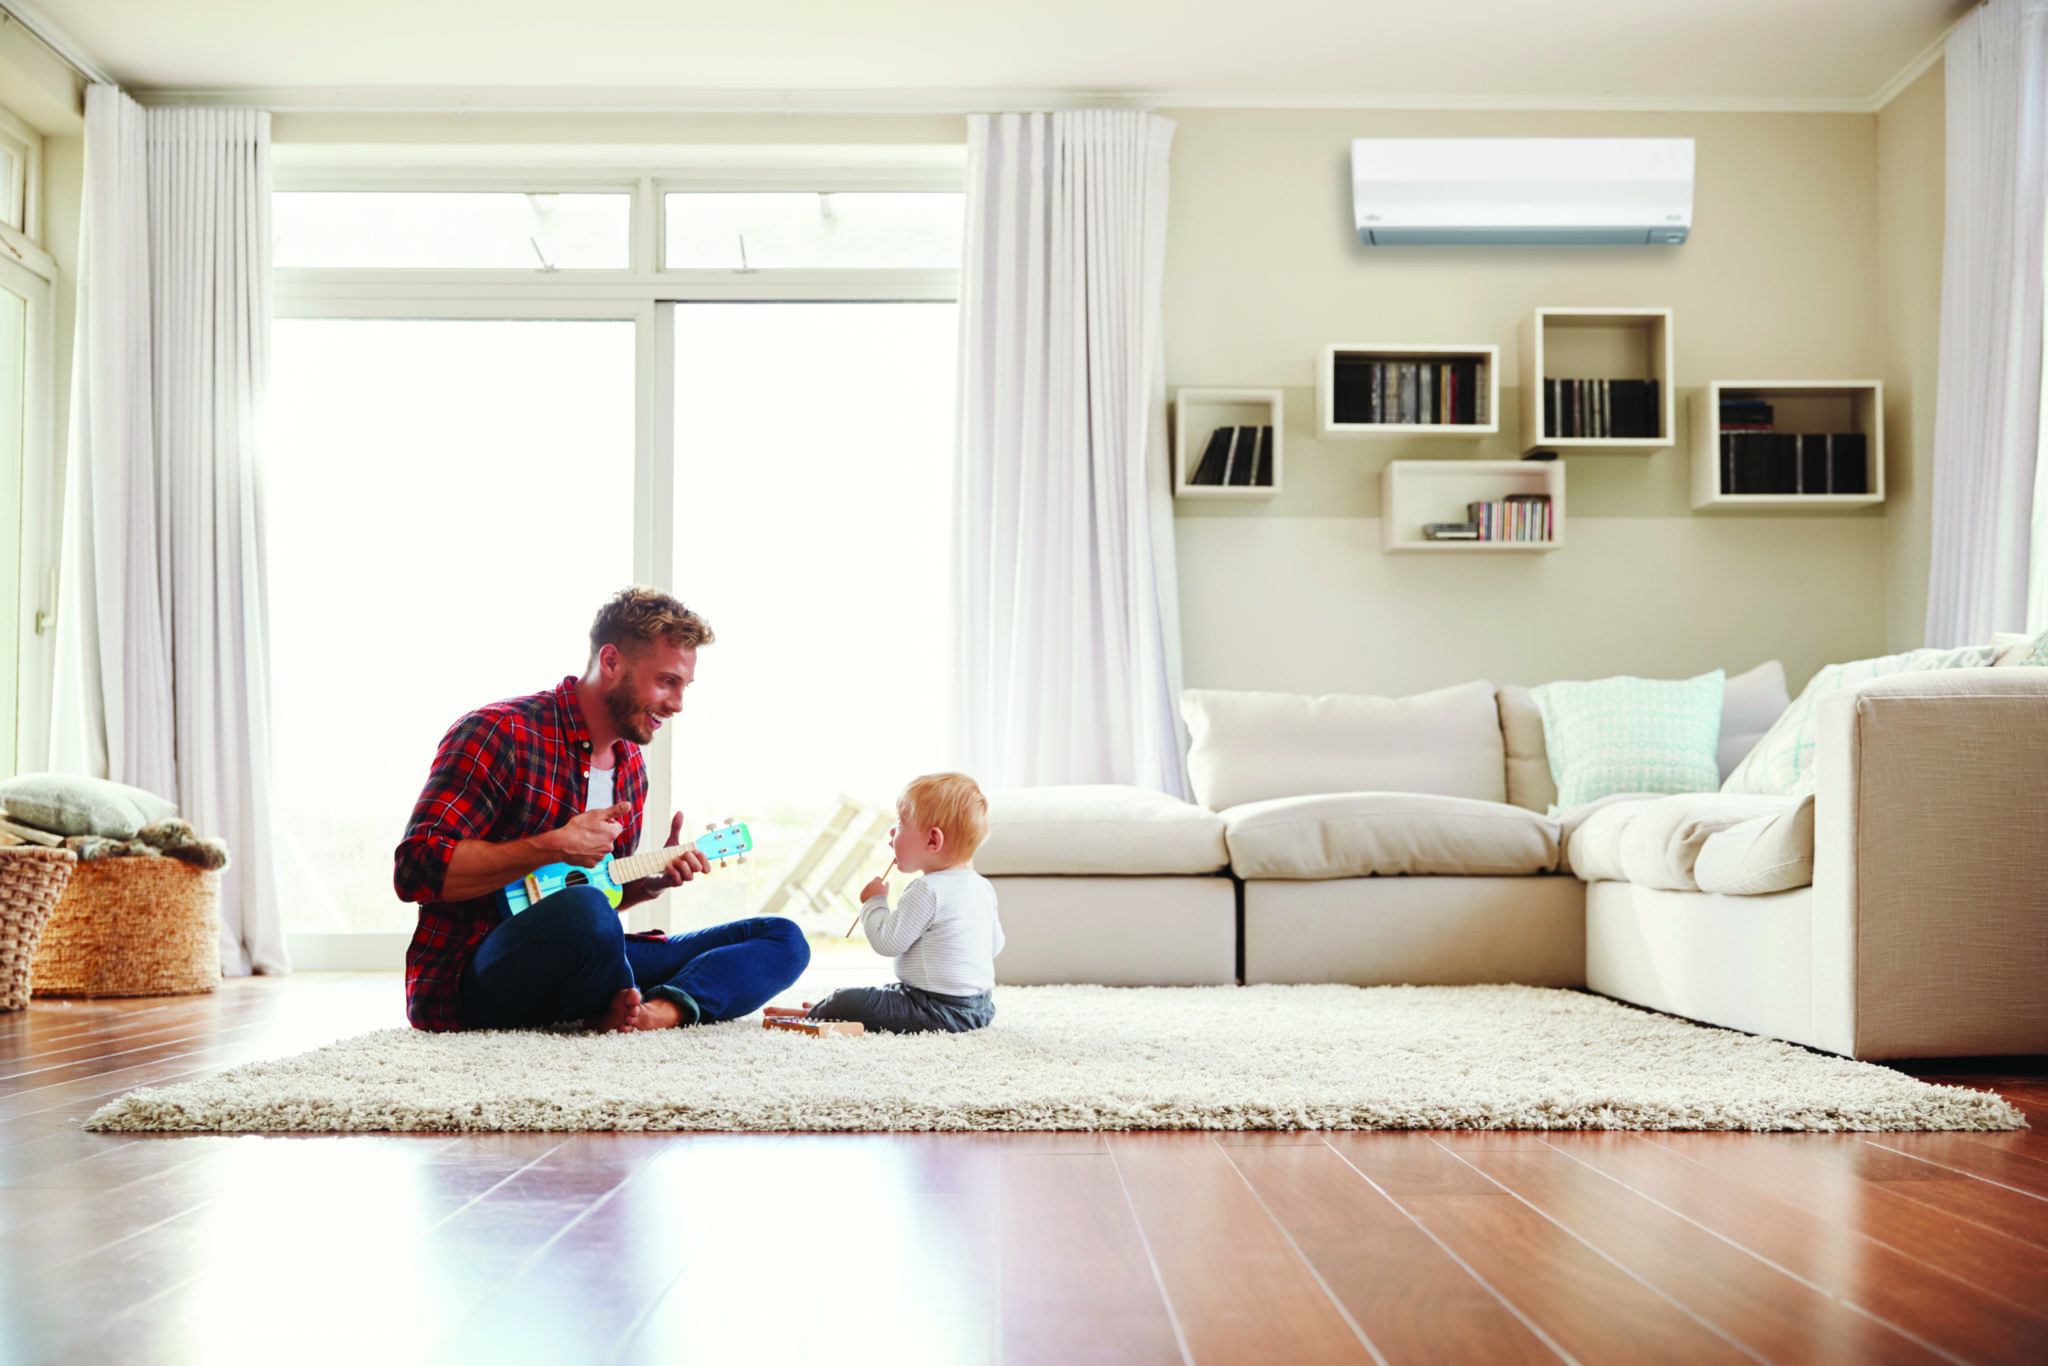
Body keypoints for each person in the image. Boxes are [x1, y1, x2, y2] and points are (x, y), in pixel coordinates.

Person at [393, 587, 810, 1032]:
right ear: (611, 662)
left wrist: (646, 885)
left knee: (783, 938)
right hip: (475, 973)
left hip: (582, 961)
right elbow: (414, 871)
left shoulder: (631, 768)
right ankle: (613, 1000)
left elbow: (597, 894)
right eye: (666, 681)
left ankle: (658, 1012)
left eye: (684, 687)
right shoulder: (498, 733)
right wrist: (552, 847)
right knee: (586, 910)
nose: (677, 704)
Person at [798, 773, 1003, 1035]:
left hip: (936, 1011)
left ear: (932, 840)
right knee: (886, 993)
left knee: (846, 998)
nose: (892, 832)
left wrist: (874, 902)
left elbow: (887, 943)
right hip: (980, 1008)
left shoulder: (927, 889)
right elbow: (995, 946)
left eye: (900, 824)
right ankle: (828, 1009)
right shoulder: (982, 886)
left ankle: (821, 1012)